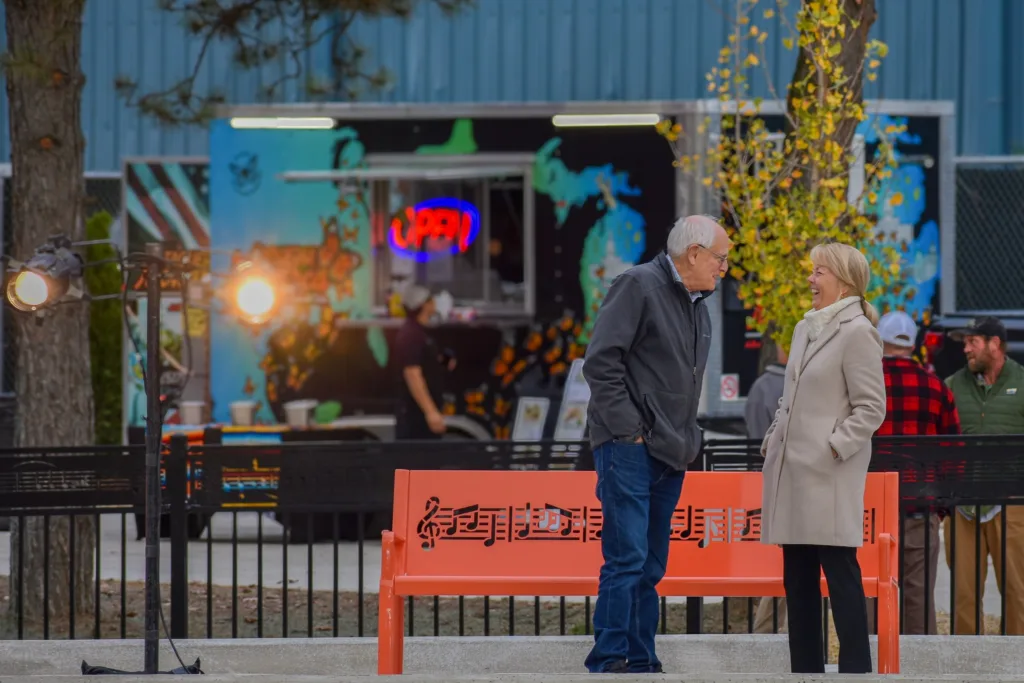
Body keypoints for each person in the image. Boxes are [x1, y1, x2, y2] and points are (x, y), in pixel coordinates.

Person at [582, 215, 731, 674]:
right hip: (629, 447)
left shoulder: (696, 303)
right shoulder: (638, 285)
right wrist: (630, 430)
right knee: (627, 558)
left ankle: (642, 658)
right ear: (693, 253)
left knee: (649, 565)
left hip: (671, 450)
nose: (724, 268)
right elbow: (600, 364)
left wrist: (686, 440)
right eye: (720, 258)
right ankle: (609, 657)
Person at [759, 241, 886, 674]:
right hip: (793, 472)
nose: (811, 279)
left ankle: (854, 669)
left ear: (845, 281)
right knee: (796, 576)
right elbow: (789, 397)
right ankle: (806, 669)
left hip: (827, 473)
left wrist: (833, 446)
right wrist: (776, 435)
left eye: (819, 272)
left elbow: (872, 407)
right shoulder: (805, 327)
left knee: (840, 572)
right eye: (812, 271)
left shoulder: (857, 332)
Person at [874, 310, 960, 635]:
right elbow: (953, 453)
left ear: (879, 340)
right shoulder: (937, 388)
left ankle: (867, 662)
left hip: (868, 507)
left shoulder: (862, 382)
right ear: (914, 345)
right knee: (918, 595)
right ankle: (918, 666)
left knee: (870, 590)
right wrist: (941, 507)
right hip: (919, 504)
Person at [944, 316, 1024, 635]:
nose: (965, 349)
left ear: (995, 344)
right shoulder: (950, 386)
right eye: (964, 342)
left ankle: (1017, 661)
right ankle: (966, 663)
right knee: (964, 594)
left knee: (1017, 591)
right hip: (962, 506)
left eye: (972, 342)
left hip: (1014, 504)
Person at [746, 339, 790, 634]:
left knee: (777, 571)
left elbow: (753, 432)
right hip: (795, 488)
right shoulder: (798, 382)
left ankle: (763, 634)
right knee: (789, 570)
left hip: (766, 485)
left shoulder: (761, 386)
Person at [393, 284, 454, 440]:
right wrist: (431, 412)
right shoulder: (410, 335)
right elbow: (412, 373)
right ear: (424, 304)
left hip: (425, 415)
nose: (434, 302)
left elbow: (430, 362)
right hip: (415, 418)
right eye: (431, 299)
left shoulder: (423, 333)